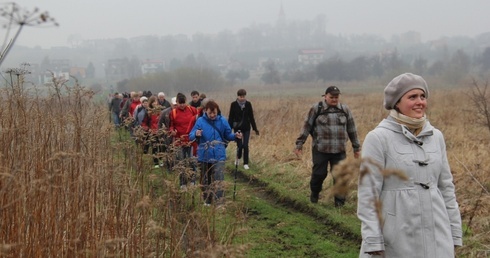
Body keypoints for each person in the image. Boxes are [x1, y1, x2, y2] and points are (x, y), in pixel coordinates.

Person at [357, 73, 463, 257]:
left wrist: (454, 232)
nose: (420, 102)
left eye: (423, 97)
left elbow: (446, 187)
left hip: (437, 234)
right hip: (396, 236)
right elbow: (368, 193)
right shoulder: (378, 138)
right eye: (412, 97)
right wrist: (373, 239)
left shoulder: (436, 137)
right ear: (397, 102)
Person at [294, 86, 361, 206]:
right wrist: (299, 144)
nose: (334, 100)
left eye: (336, 97)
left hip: (339, 150)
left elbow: (352, 129)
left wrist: (356, 148)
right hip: (321, 149)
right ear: (325, 96)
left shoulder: (344, 110)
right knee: (319, 175)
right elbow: (307, 126)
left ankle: (339, 204)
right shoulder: (317, 108)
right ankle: (315, 194)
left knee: (340, 177)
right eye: (331, 97)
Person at [189, 100, 242, 205]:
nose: (212, 115)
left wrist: (235, 136)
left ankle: (219, 202)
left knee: (219, 178)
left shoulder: (223, 121)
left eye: (214, 113)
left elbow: (228, 135)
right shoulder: (200, 121)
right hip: (204, 155)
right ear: (205, 111)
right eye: (210, 113)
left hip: (219, 155)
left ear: (218, 111)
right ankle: (207, 200)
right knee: (205, 180)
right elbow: (190, 135)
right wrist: (196, 133)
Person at [169, 93, 199, 188]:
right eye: (180, 103)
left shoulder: (192, 110)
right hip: (179, 141)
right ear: (176, 102)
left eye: (183, 103)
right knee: (181, 162)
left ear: (186, 101)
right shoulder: (173, 113)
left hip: (191, 140)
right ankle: (182, 183)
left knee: (192, 161)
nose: (182, 105)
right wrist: (172, 131)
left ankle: (192, 181)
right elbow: (171, 125)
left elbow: (198, 121)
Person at [227, 89, 259, 170]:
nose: (242, 98)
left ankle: (246, 163)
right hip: (237, 128)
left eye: (243, 96)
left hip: (246, 128)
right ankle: (238, 158)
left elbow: (251, 117)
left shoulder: (248, 104)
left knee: (245, 145)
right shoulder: (233, 104)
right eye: (240, 96)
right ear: (238, 96)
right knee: (240, 145)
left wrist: (255, 128)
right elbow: (231, 118)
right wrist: (228, 129)